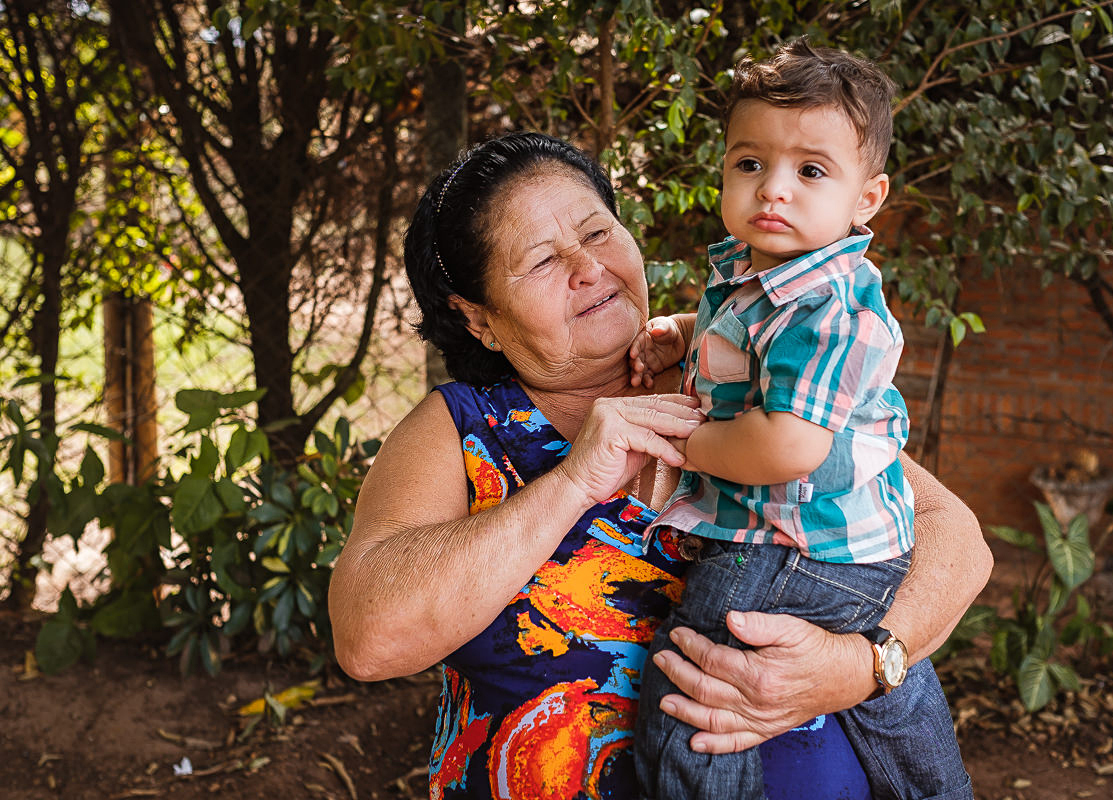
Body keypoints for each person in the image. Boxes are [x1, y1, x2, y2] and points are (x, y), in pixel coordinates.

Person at [327, 130, 993, 800]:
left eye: (596, 233)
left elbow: (954, 535)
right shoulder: (462, 430)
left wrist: (865, 663)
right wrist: (572, 483)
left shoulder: (736, 370)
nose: (588, 269)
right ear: (478, 319)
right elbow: (370, 638)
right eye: (541, 261)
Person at [629, 40, 972, 800]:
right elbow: (748, 339)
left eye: (810, 171)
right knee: (892, 699)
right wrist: (687, 332)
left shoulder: (832, 307)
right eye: (749, 164)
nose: (772, 191)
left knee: (697, 683)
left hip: (799, 546)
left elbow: (785, 445)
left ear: (867, 198)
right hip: (843, 546)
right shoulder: (761, 270)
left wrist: (682, 438)